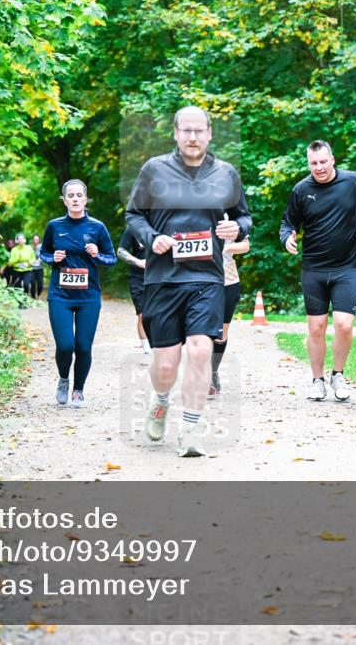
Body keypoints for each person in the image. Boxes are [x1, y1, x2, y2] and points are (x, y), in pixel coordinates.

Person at [125, 106, 252, 457]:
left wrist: (237, 227)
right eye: (186, 130)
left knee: (200, 349)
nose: (193, 137)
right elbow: (134, 215)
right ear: (176, 133)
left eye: (199, 131)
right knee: (166, 363)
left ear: (209, 133)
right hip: (163, 278)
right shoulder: (154, 169)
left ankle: (191, 430)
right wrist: (152, 238)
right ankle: (161, 400)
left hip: (207, 277)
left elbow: (244, 217)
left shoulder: (225, 173)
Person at [279, 140, 356, 401]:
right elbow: (287, 223)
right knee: (316, 328)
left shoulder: (353, 181)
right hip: (313, 269)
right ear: (308, 163)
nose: (319, 167)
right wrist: (287, 238)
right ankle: (317, 381)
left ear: (332, 159)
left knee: (343, 325)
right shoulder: (301, 189)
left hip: (345, 267)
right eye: (313, 163)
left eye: (323, 161)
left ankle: (338, 375)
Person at [39, 179, 116, 408]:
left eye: (79, 195)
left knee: (83, 347)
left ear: (85, 199)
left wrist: (97, 254)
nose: (75, 199)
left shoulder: (97, 227)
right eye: (70, 196)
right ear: (64, 200)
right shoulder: (54, 226)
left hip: (88, 296)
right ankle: (64, 379)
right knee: (65, 346)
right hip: (60, 295)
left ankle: (78, 391)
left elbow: (111, 258)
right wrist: (53, 258)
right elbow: (43, 253)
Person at [209, 235, 249, 397]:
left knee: (221, 333)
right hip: (200, 281)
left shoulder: (232, 221)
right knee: (201, 330)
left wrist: (223, 248)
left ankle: (213, 372)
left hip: (228, 281)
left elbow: (245, 246)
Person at [117, 229, 151, 359]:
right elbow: (120, 251)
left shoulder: (163, 225)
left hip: (161, 277)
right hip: (138, 278)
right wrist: (138, 262)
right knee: (142, 315)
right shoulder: (133, 229)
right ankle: (147, 350)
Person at [31, 235, 45, 299]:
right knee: (32, 284)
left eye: (37, 239)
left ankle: (38, 295)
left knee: (40, 285)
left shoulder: (42, 247)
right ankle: (33, 297)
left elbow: (44, 254)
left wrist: (40, 259)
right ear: (32, 240)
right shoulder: (30, 248)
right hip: (31, 269)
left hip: (40, 269)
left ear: (39, 240)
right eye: (34, 239)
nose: (35, 241)